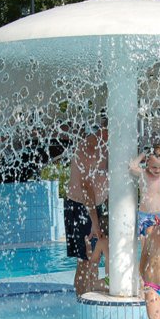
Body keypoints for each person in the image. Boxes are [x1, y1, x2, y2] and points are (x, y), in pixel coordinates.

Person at [65, 119, 109, 295]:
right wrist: (95, 223)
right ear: (103, 130)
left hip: (93, 208)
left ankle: (91, 295)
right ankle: (81, 299)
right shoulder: (88, 149)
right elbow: (87, 190)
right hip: (79, 208)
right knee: (84, 260)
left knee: (94, 259)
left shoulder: (104, 147)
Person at [85, 205, 109, 292]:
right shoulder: (120, 240)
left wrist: (88, 247)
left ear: (100, 230)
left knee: (90, 285)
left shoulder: (102, 242)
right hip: (127, 281)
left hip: (110, 282)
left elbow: (93, 261)